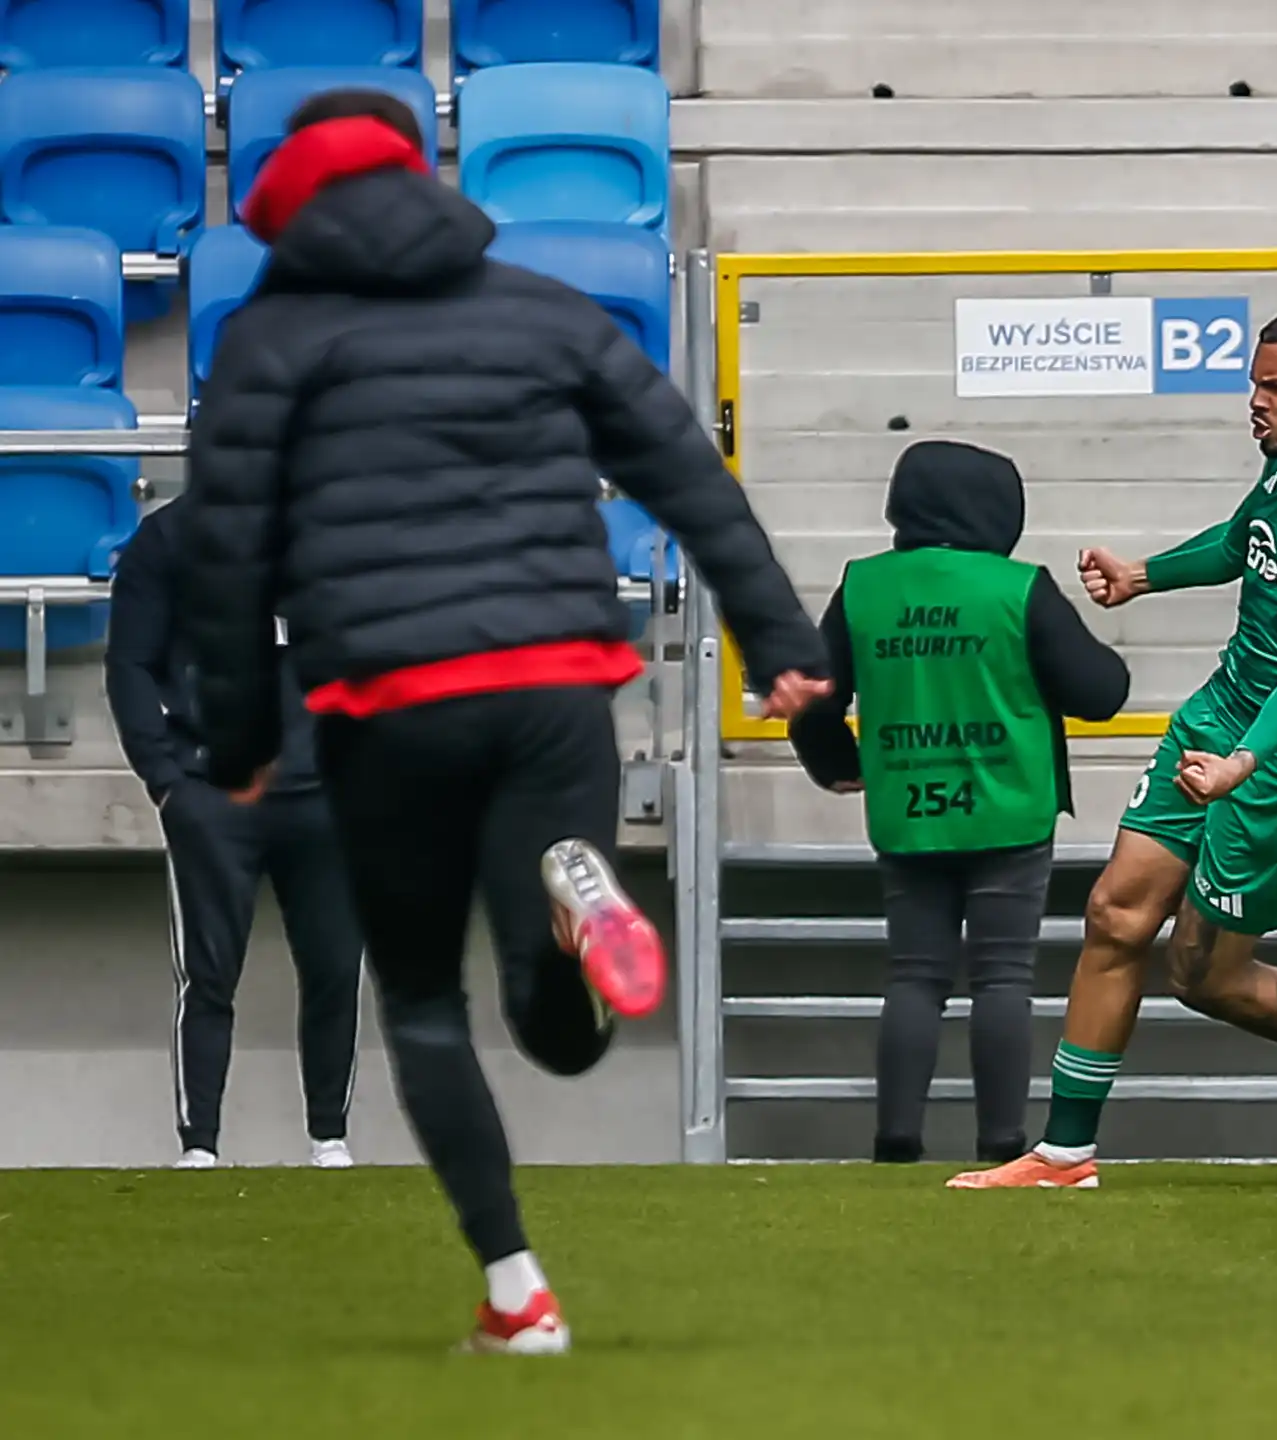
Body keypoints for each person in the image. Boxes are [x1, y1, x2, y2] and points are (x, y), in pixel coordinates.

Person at [175, 88, 828, 1352]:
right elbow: (689, 474)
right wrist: (785, 645)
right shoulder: (543, 310)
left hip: (387, 708)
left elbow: (226, 557)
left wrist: (241, 743)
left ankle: (517, 1291)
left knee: (421, 1000)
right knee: (550, 1005)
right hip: (553, 689)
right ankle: (575, 901)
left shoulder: (269, 341)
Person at [949, 303, 1277, 1191]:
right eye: (1254, 384)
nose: (1256, 402)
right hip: (1219, 716)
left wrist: (1245, 762)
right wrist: (1146, 575)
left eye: (1275, 386)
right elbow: (1246, 542)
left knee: (1203, 973)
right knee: (1114, 914)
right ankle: (1065, 1154)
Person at [789, 439, 1131, 1166]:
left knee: (915, 974)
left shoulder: (863, 587)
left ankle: (895, 1141)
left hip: (907, 808)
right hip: (1009, 811)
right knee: (1003, 975)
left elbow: (812, 699)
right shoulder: (1018, 587)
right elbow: (1101, 693)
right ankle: (1001, 1143)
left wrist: (839, 765)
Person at [107, 492, 366, 1171]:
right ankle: (200, 1146)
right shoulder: (164, 542)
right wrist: (165, 779)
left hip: (325, 797)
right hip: (212, 794)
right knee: (208, 974)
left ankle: (329, 1138)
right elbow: (130, 662)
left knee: (336, 967)